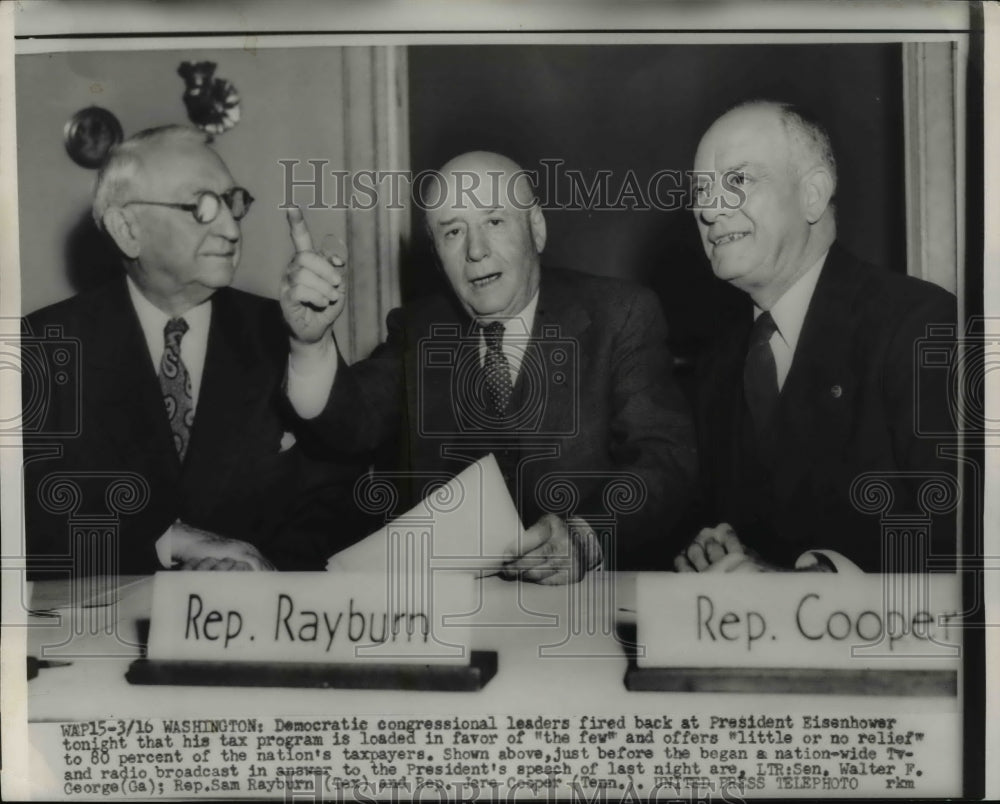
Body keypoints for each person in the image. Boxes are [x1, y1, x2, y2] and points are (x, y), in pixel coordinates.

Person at [281, 151, 698, 581]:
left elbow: (665, 461)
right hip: (450, 616)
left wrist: (587, 534)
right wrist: (308, 344)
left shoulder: (620, 314)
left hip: (583, 609)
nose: (475, 251)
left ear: (535, 228)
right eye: (453, 231)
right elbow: (351, 423)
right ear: (436, 251)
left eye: (494, 222)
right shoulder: (420, 329)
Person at [23, 125, 361, 575]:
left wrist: (261, 576)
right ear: (127, 230)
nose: (230, 229)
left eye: (232, 202)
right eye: (200, 206)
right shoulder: (41, 347)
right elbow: (25, 517)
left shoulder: (292, 333)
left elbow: (337, 499)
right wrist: (167, 540)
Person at [674, 101, 957, 574]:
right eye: (700, 190)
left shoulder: (921, 325)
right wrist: (714, 549)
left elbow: (966, 537)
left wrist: (815, 585)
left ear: (813, 193)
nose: (707, 208)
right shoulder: (720, 361)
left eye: (738, 180)